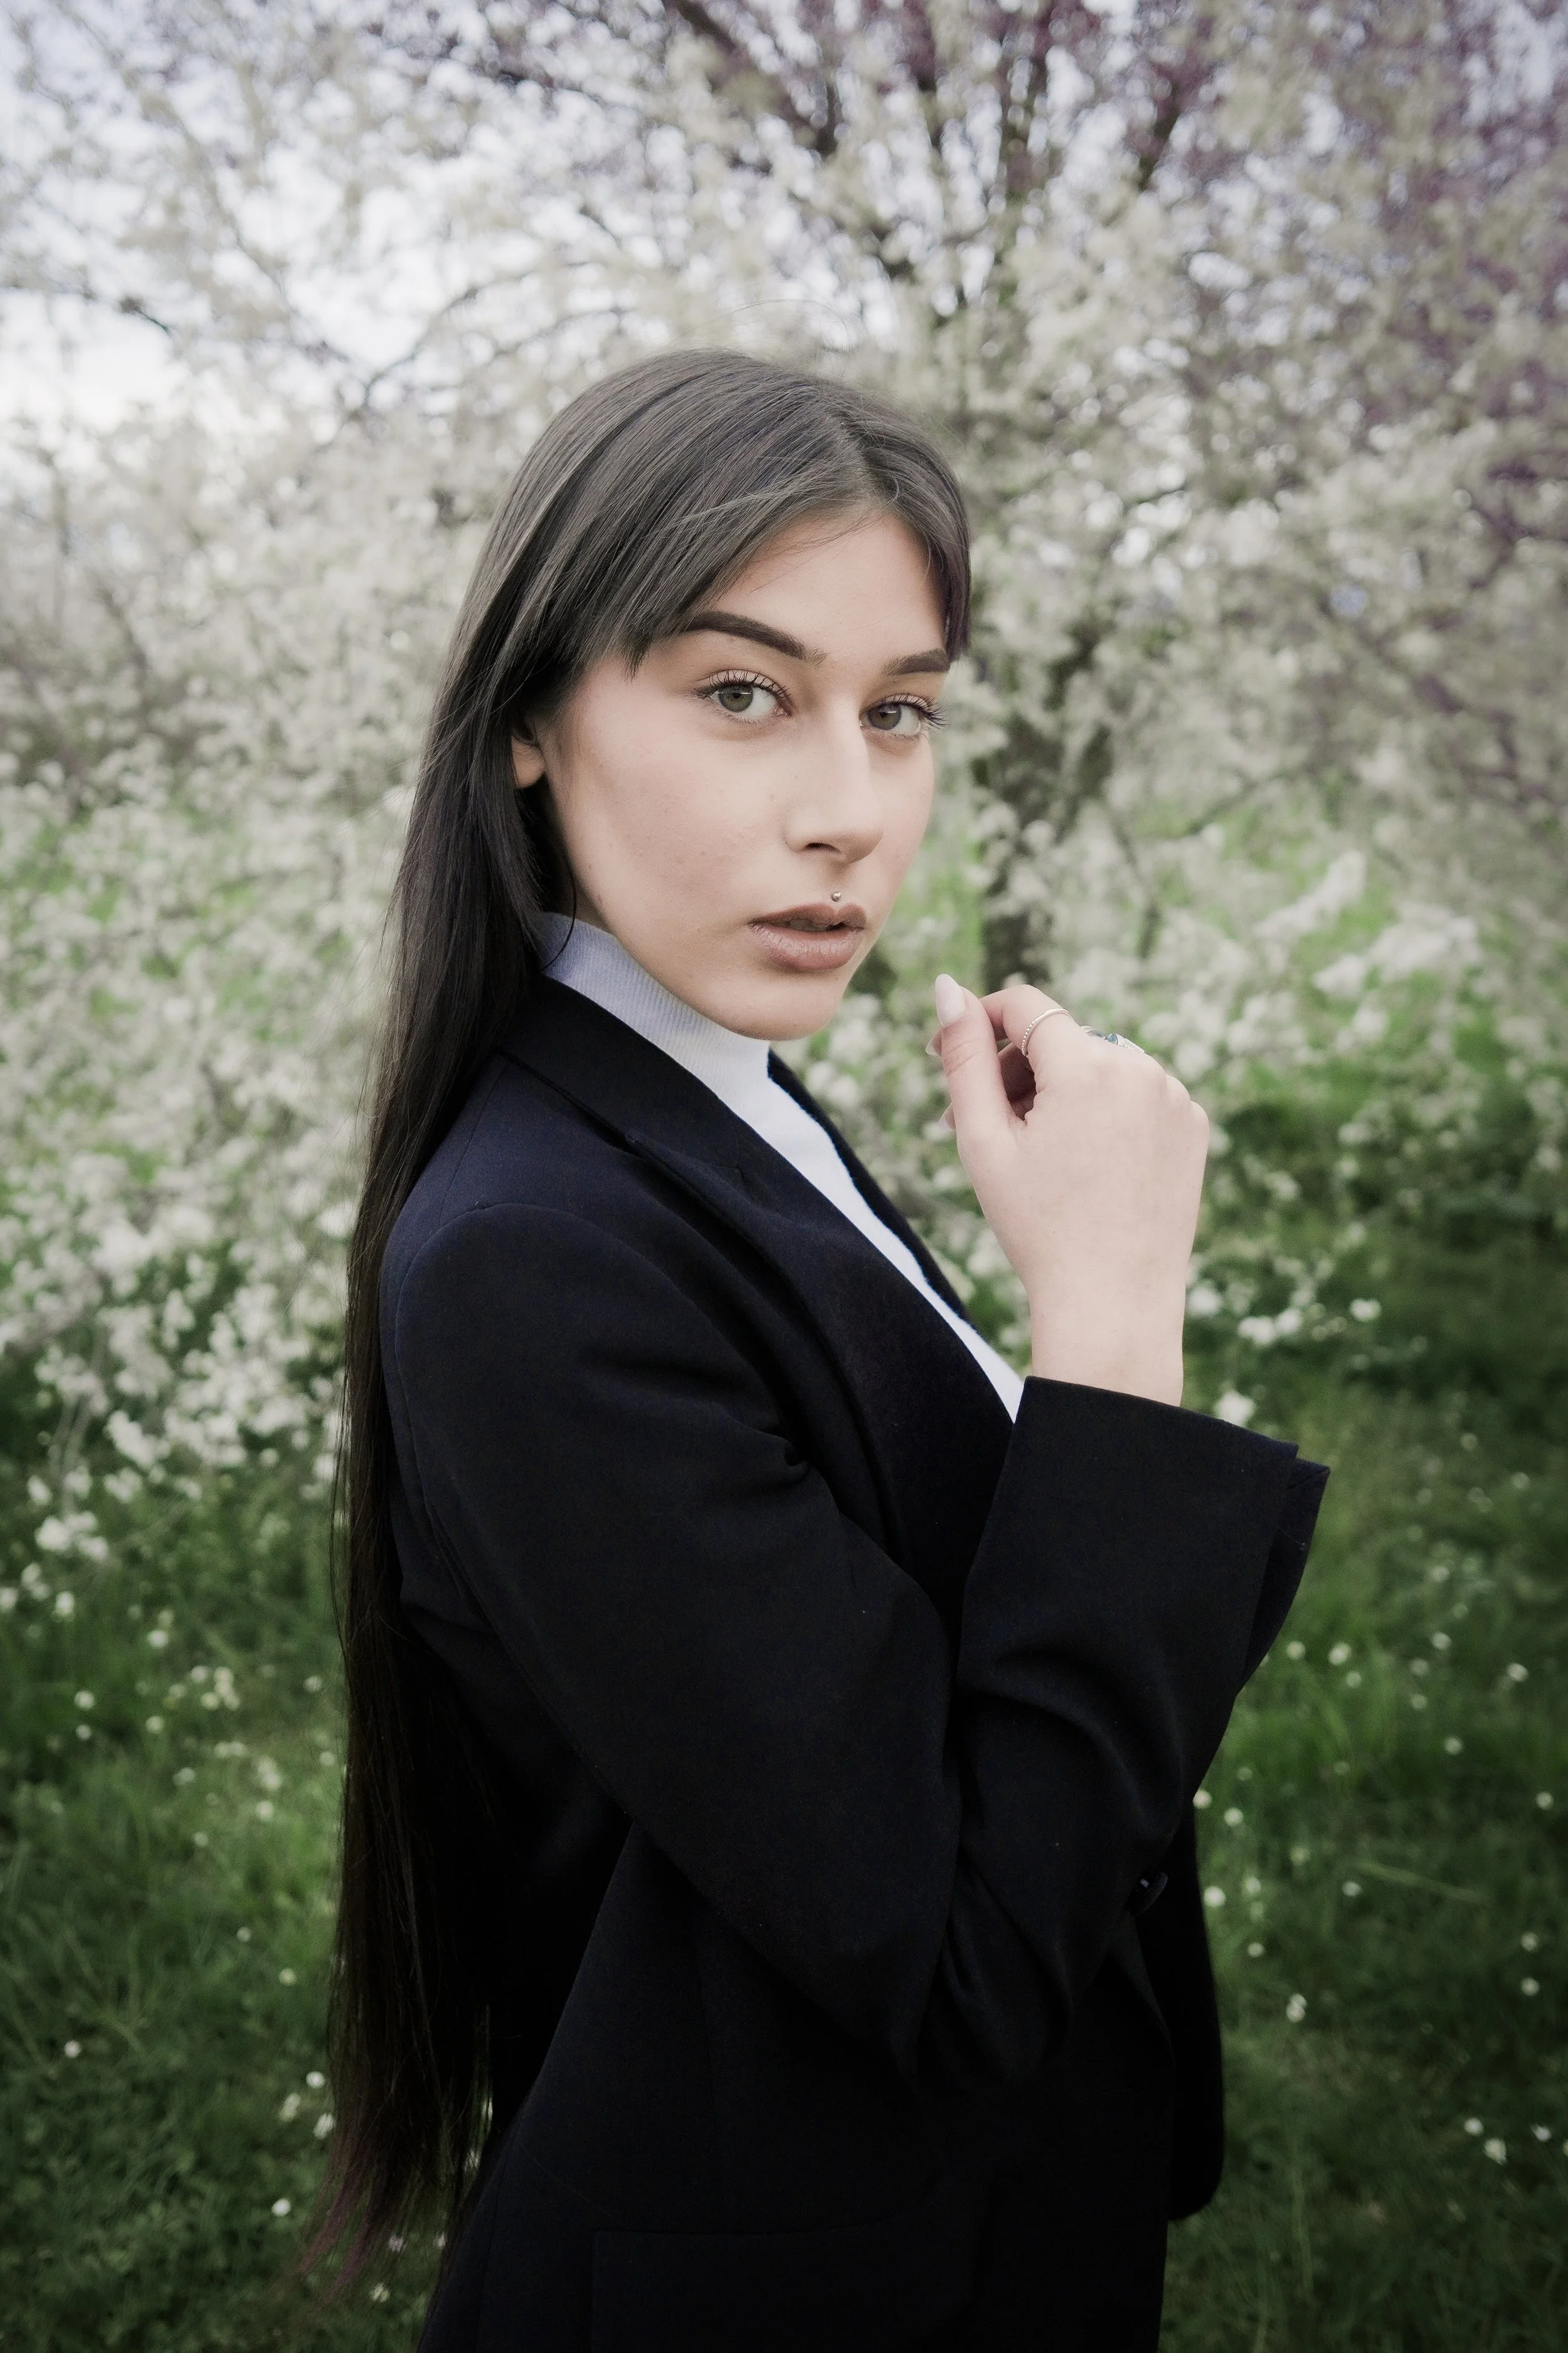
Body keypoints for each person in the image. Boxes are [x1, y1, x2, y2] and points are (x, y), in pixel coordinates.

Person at [314, 349, 1328, 2351]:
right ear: (529, 718)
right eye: (741, 693)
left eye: (902, 713)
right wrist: (1111, 1326)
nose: (849, 813)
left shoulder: (704, 1088)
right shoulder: (531, 1251)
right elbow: (952, 1954)